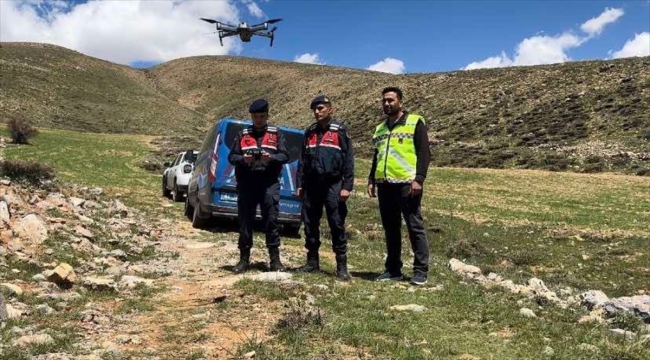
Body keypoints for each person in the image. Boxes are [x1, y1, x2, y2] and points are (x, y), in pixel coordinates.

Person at [367, 87, 431, 285]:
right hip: (385, 184)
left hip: (407, 184)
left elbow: (424, 153)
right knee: (390, 228)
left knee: (414, 226)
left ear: (400, 102)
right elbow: (378, 155)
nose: (387, 104)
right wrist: (371, 179)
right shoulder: (380, 128)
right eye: (384, 101)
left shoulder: (414, 122)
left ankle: (420, 271)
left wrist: (419, 179)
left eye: (391, 100)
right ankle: (393, 269)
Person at [295, 95, 354, 281]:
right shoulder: (310, 132)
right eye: (314, 109)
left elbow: (348, 160)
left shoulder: (339, 131)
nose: (317, 112)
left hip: (333, 184)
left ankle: (341, 266)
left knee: (336, 223)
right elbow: (303, 161)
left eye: (320, 108)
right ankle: (312, 262)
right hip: (312, 185)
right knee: (310, 223)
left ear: (330, 109)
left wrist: (347, 186)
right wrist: (300, 184)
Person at [228, 99, 289, 273]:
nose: (259, 120)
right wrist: (242, 159)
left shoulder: (276, 133)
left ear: (267, 116)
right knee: (245, 221)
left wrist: (271, 158)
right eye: (256, 116)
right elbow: (232, 157)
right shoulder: (242, 134)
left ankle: (275, 261)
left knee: (271, 220)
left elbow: (285, 155)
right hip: (247, 183)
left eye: (262, 116)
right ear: (251, 117)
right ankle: (244, 260)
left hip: (269, 183)